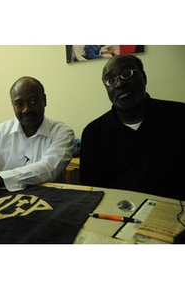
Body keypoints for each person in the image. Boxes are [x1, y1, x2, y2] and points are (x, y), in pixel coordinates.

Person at [79, 54, 185, 200]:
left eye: (126, 74)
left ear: (144, 77)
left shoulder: (179, 116)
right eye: (111, 80)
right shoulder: (93, 133)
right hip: (116, 214)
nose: (120, 84)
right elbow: (92, 191)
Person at [0, 76, 75, 199]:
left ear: (44, 100)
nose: (26, 109)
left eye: (33, 102)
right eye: (19, 104)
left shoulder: (62, 132)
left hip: (50, 200)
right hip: (4, 200)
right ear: (13, 105)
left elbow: (49, 168)